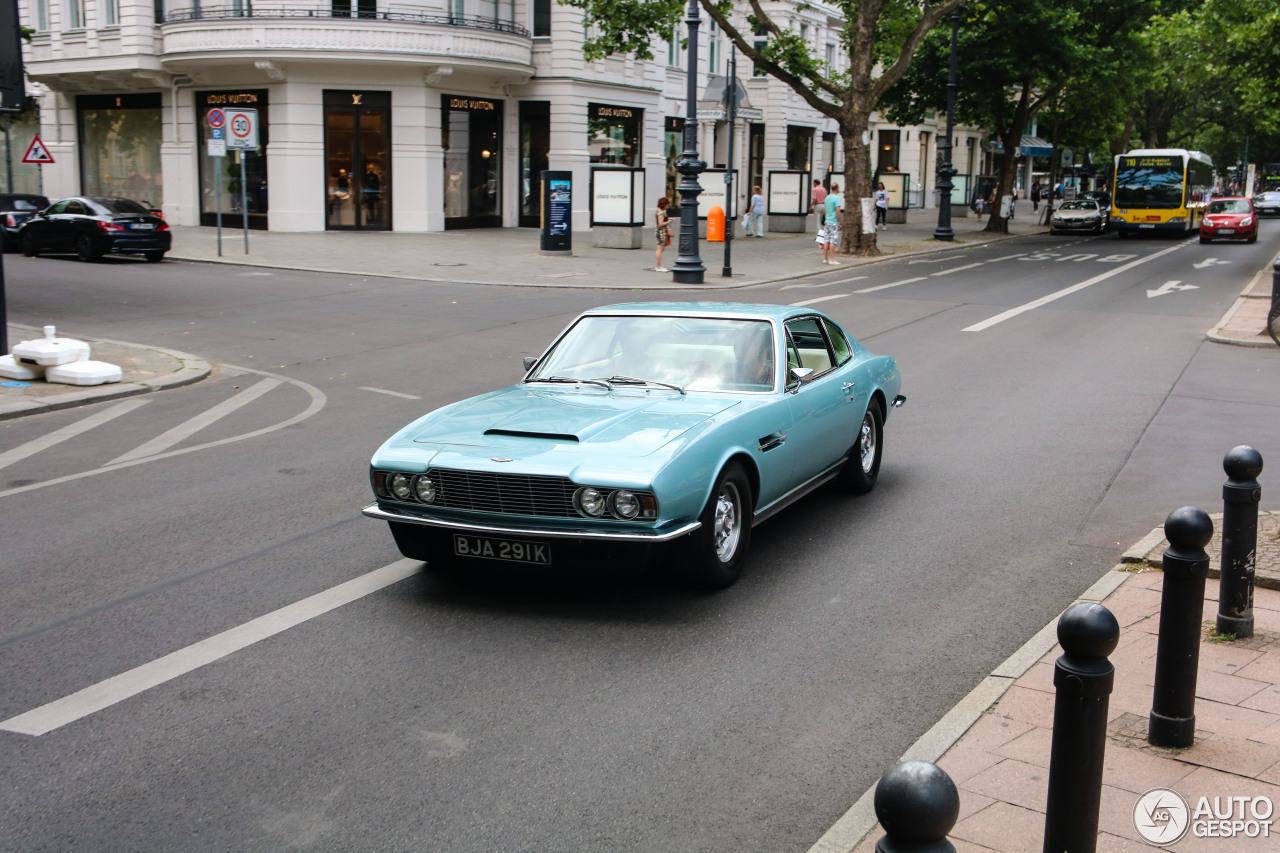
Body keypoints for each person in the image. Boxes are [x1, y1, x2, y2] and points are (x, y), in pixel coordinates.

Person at [818, 183, 843, 265]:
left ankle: (825, 258)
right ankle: (832, 259)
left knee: (826, 240)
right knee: (833, 241)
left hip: (827, 222)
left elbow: (825, 210)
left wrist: (826, 218)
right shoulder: (837, 199)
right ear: (837, 188)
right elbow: (838, 211)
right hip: (834, 222)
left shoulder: (827, 197)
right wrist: (840, 222)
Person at [653, 196, 672, 272]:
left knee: (659, 249)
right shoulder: (661, 213)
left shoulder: (658, 211)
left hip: (659, 231)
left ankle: (658, 266)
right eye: (667, 204)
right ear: (664, 204)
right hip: (662, 232)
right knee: (660, 249)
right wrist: (668, 221)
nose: (668, 206)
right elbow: (661, 224)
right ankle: (658, 266)